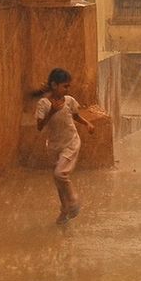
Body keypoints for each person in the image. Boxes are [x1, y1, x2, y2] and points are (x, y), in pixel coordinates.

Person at [33, 68, 94, 224]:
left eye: (68, 86)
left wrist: (87, 123)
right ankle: (64, 211)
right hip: (54, 146)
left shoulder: (69, 100)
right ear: (54, 85)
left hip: (71, 143)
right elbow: (40, 126)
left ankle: (73, 202)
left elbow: (75, 115)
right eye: (65, 86)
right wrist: (52, 111)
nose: (68, 89)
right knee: (58, 180)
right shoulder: (44, 104)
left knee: (60, 174)